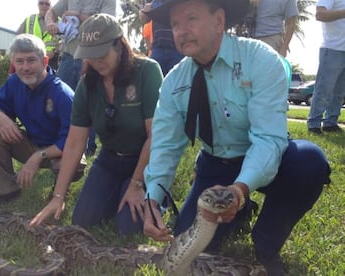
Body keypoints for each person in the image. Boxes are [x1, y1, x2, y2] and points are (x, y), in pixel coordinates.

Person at [141, 0, 331, 275]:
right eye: (174, 24)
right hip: (216, 163)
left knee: (309, 161)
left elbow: (268, 139)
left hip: (268, 157)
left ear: (219, 21)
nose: (181, 30)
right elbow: (165, 147)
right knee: (190, 244)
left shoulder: (261, 60)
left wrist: (240, 190)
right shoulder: (174, 82)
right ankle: (239, 213)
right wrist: (152, 200)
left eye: (191, 18)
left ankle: (266, 243)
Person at [30, 14, 163, 236]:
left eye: (101, 53)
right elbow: (74, 143)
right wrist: (58, 197)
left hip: (144, 161)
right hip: (109, 159)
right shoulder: (87, 84)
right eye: (90, 55)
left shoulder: (147, 71)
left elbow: (155, 136)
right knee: (82, 221)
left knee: (128, 229)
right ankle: (114, 195)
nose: (96, 61)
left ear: (119, 45)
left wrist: (136, 183)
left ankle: (148, 195)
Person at [0, 34, 78, 208]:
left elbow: (73, 141)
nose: (25, 67)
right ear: (13, 63)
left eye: (31, 60)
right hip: (31, 144)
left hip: (62, 150)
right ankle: (6, 191)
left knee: (74, 162)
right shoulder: (14, 83)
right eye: (19, 61)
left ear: (45, 61)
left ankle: (59, 191)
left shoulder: (63, 94)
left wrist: (37, 157)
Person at [45, 0, 116, 158]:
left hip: (93, 57)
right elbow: (51, 12)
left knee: (91, 101)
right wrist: (50, 22)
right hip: (68, 56)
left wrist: (78, 15)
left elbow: (108, 24)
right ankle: (60, 144)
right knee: (58, 98)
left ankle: (86, 148)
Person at [307, 0, 345, 134]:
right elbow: (320, 15)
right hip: (332, 48)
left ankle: (331, 123)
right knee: (324, 89)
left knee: (339, 93)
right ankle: (314, 124)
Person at [140, 0, 184, 75]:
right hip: (158, 49)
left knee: (178, 81)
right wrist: (145, 10)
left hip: (176, 49)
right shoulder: (154, 2)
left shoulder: (178, 2)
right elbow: (143, 18)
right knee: (155, 79)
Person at [16, 0, 59, 71]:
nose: (44, 6)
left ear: (51, 6)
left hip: (53, 61)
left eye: (47, 4)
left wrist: (55, 51)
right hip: (31, 60)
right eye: (41, 3)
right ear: (37, 5)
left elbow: (65, 42)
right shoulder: (29, 20)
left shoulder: (59, 21)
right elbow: (18, 39)